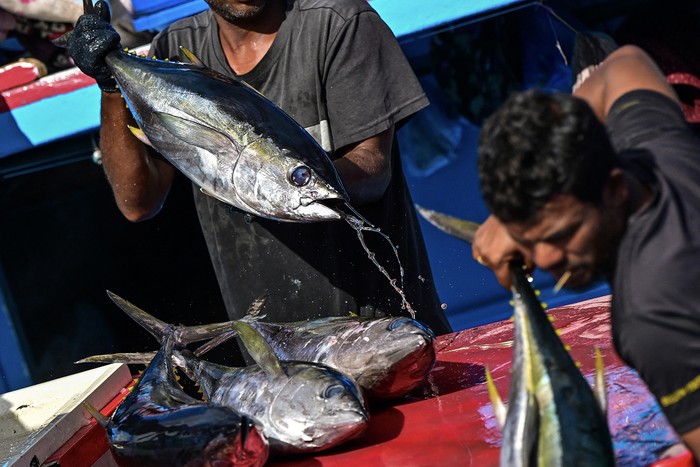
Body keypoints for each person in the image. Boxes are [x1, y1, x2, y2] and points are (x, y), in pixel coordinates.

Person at [66, 0, 452, 336]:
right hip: (276, 357)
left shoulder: (338, 23)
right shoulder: (176, 48)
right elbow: (138, 202)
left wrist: (284, 187)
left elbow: (373, 167)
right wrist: (109, 84)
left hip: (387, 330)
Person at [472, 44, 700, 458]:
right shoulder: (653, 146)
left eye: (563, 233)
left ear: (613, 189)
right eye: (530, 238)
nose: (544, 260)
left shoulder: (654, 318)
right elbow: (625, 61)